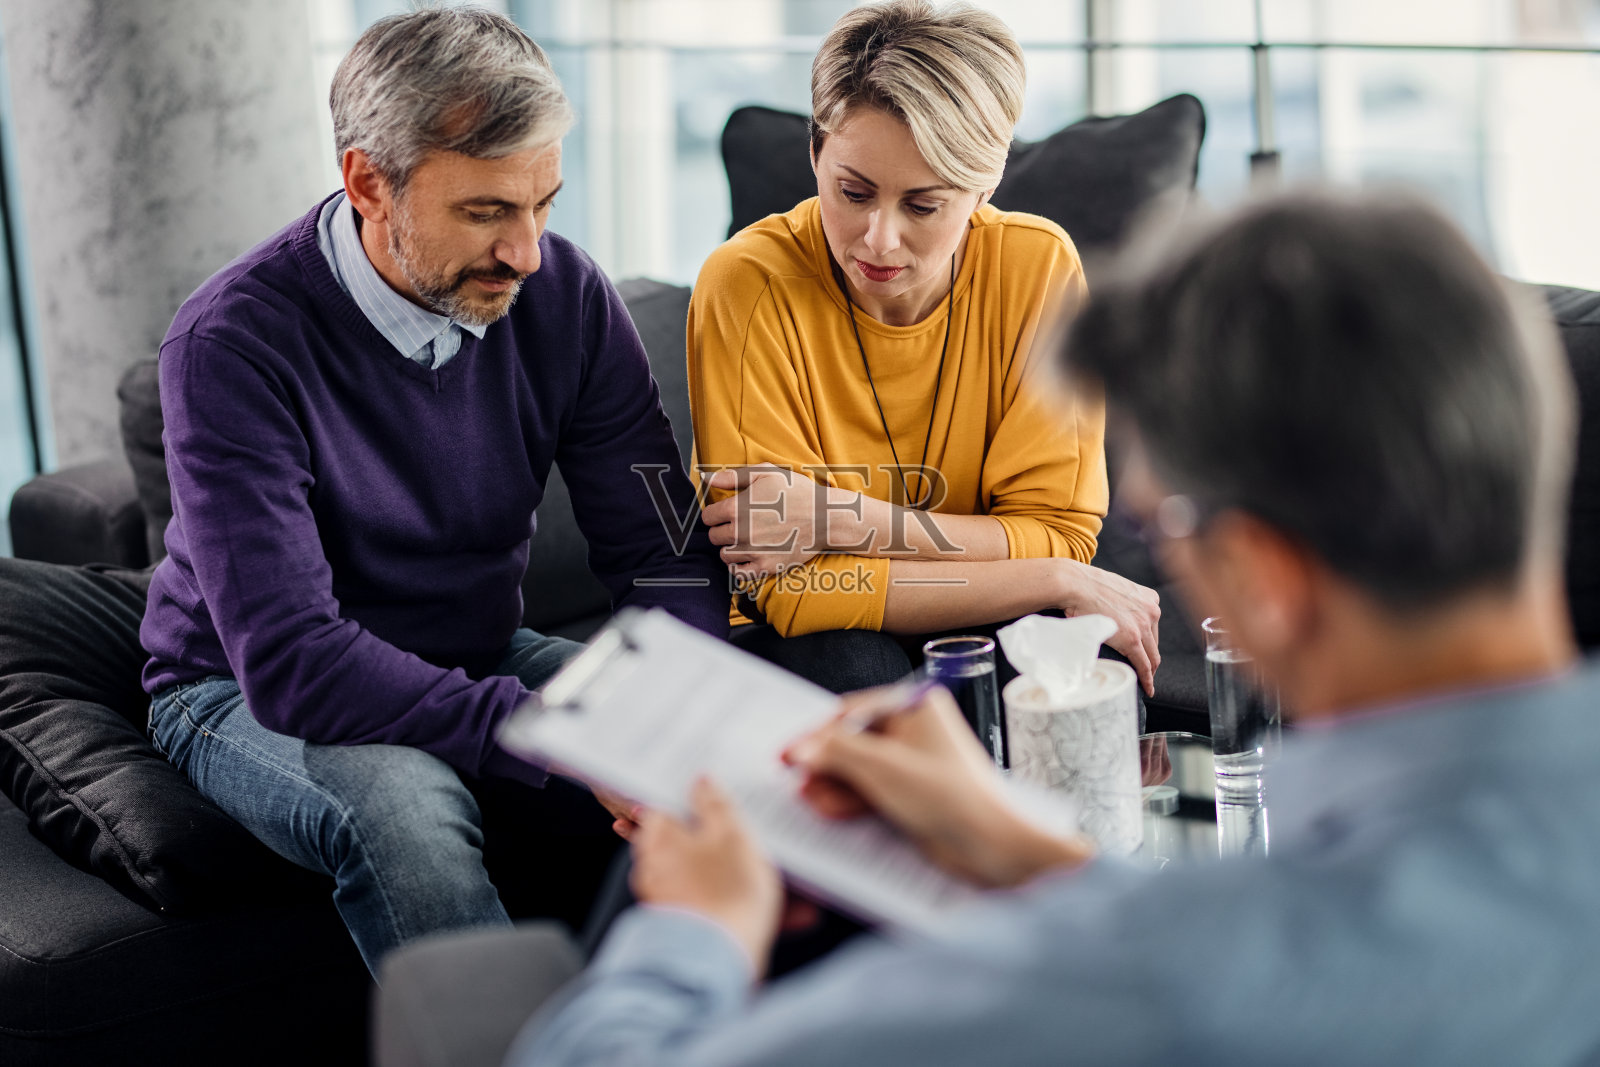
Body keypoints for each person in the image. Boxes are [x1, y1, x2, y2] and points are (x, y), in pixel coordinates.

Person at [453, 188, 1598, 1066]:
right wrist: (1032, 851)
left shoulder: (1142, 984)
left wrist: (695, 926)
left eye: (1172, 525)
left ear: (1260, 573)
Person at [140, 8, 726, 977]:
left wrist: (681, 709)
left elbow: (658, 542)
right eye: (487, 211)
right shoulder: (231, 347)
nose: (527, 252)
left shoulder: (568, 296)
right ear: (369, 182)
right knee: (407, 807)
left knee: (722, 762)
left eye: (544, 204)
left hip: (472, 647)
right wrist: (557, 741)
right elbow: (291, 659)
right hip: (234, 691)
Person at [688, 0, 1161, 696]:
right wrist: (1046, 569)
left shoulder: (1038, 268)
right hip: (812, 642)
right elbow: (786, 589)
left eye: (922, 205)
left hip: (980, 607)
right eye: (853, 192)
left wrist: (835, 518)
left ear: (985, 182)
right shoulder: (746, 284)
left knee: (1075, 656)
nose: (878, 238)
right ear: (816, 150)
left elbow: (1059, 536)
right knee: (854, 665)